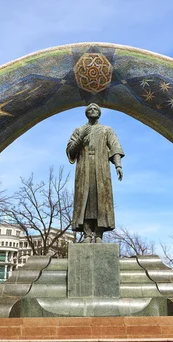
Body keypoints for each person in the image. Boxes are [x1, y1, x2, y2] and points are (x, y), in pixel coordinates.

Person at [66, 103, 124, 243]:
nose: (92, 110)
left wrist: (118, 165)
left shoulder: (106, 130)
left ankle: (99, 234)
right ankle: (86, 234)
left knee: (101, 200)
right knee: (84, 200)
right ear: (86, 113)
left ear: (99, 113)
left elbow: (115, 147)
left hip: (101, 169)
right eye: (90, 109)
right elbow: (71, 151)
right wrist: (81, 138)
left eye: (95, 109)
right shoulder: (79, 130)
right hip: (83, 169)